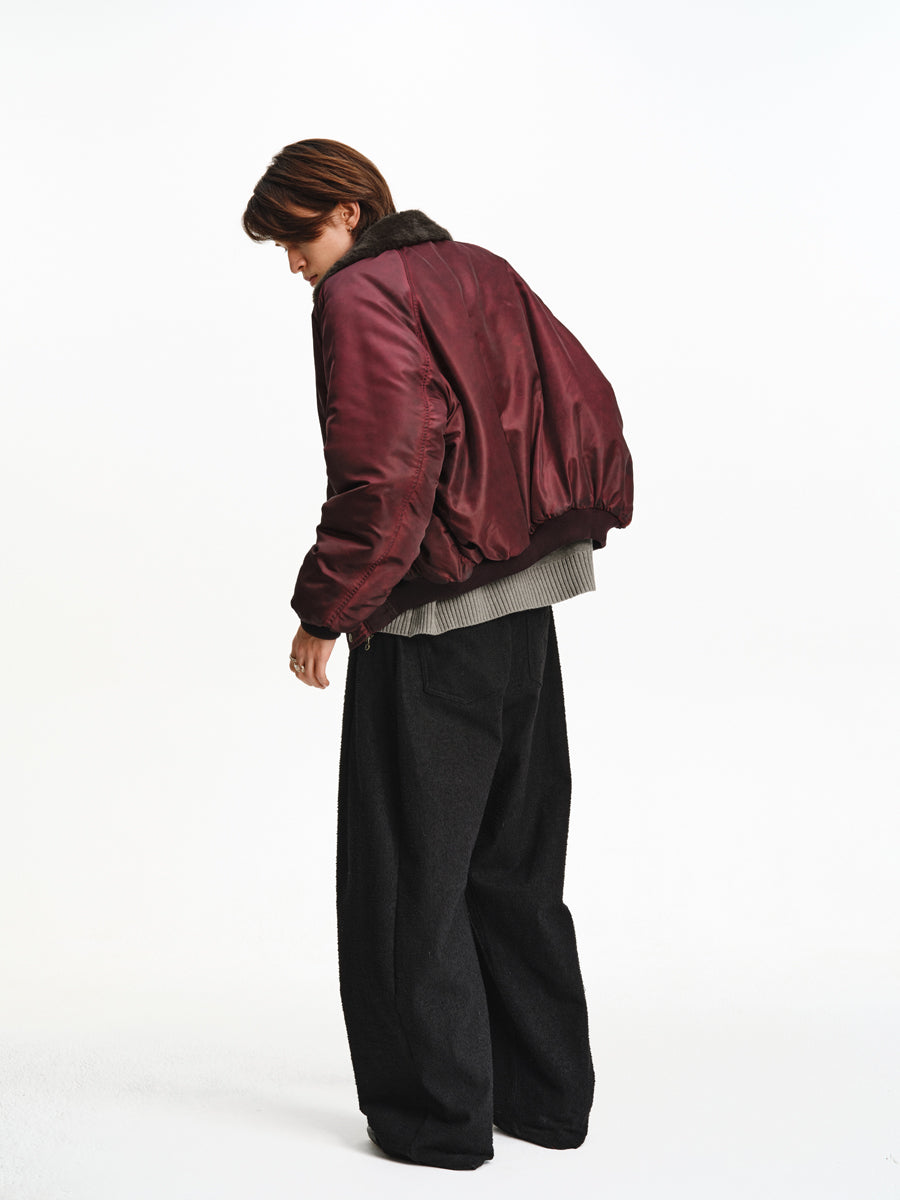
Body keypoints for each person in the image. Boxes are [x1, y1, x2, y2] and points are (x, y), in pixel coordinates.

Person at [242, 138, 633, 1171]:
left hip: (431, 616)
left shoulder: (360, 293)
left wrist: (326, 608)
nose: (293, 263)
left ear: (348, 211)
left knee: (408, 879)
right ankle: (544, 1098)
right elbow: (583, 398)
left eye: (296, 236)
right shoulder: (480, 267)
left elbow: (386, 469)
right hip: (526, 603)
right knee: (515, 865)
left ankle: (436, 1120)